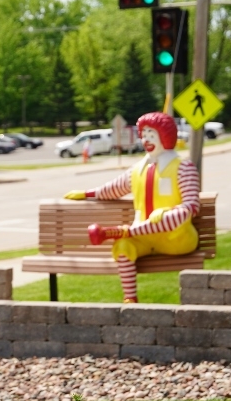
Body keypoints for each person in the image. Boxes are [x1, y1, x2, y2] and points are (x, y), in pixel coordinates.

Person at [63, 112, 200, 303]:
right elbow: (114, 189)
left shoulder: (183, 167)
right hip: (143, 238)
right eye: (144, 135)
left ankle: (119, 232)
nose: (146, 140)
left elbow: (191, 206)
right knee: (123, 245)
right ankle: (130, 299)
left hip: (176, 238)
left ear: (165, 136)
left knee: (169, 218)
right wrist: (87, 194)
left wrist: (168, 212)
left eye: (151, 135)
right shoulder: (138, 169)